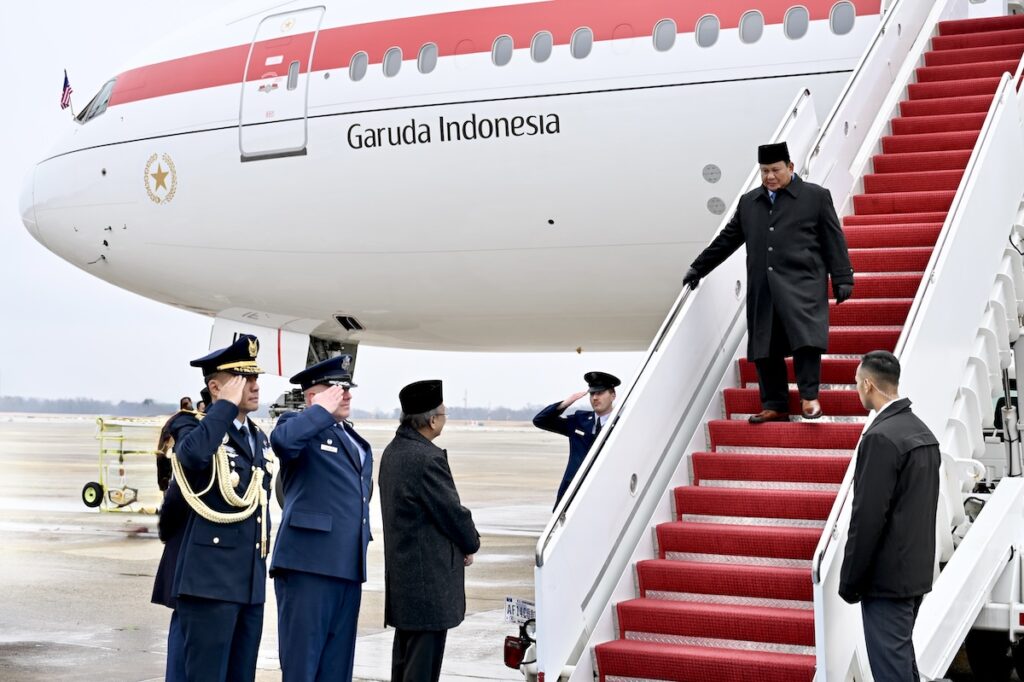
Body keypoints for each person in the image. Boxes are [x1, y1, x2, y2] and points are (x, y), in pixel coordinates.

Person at [683, 141, 854, 423]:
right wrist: (698, 267)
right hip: (764, 285)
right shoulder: (749, 202)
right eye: (764, 171)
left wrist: (843, 276)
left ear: (790, 167)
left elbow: (833, 239)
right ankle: (774, 404)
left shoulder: (815, 197)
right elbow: (727, 240)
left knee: (806, 341)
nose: (769, 176)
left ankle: (809, 398)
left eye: (775, 170)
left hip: (803, 282)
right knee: (766, 345)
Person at [170, 334, 275, 682]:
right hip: (210, 583)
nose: (254, 386)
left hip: (248, 582)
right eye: (243, 379)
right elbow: (192, 456)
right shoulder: (195, 427)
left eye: (255, 377)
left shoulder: (257, 437)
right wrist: (224, 407)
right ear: (215, 387)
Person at [269, 355, 373, 682]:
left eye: (348, 389)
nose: (348, 395)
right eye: (339, 389)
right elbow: (283, 442)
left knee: (336, 669)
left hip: (347, 567)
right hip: (308, 566)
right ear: (314, 396)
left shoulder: (350, 437)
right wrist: (319, 412)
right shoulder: (297, 424)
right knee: (302, 665)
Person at [839, 350, 940, 681]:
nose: (857, 389)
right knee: (902, 665)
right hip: (914, 575)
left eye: (857, 382)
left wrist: (850, 581)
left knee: (891, 672)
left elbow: (867, 517)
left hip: (886, 582)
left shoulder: (880, 437)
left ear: (868, 384)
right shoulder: (923, 433)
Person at [379, 380, 480, 682]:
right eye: (444, 414)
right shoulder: (426, 458)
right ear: (433, 420)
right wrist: (470, 543)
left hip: (405, 581)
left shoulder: (393, 451)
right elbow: (452, 513)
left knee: (405, 664)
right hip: (428, 587)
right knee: (422, 669)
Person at [533, 371, 620, 507]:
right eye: (592, 393)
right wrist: (565, 404)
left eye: (600, 393)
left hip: (604, 493)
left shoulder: (621, 424)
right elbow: (540, 421)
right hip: (572, 493)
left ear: (613, 395)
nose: (595, 398)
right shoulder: (579, 420)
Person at [155, 397, 197, 494]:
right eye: (186, 404)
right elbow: (165, 440)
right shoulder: (175, 421)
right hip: (176, 456)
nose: (188, 406)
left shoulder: (174, 420)